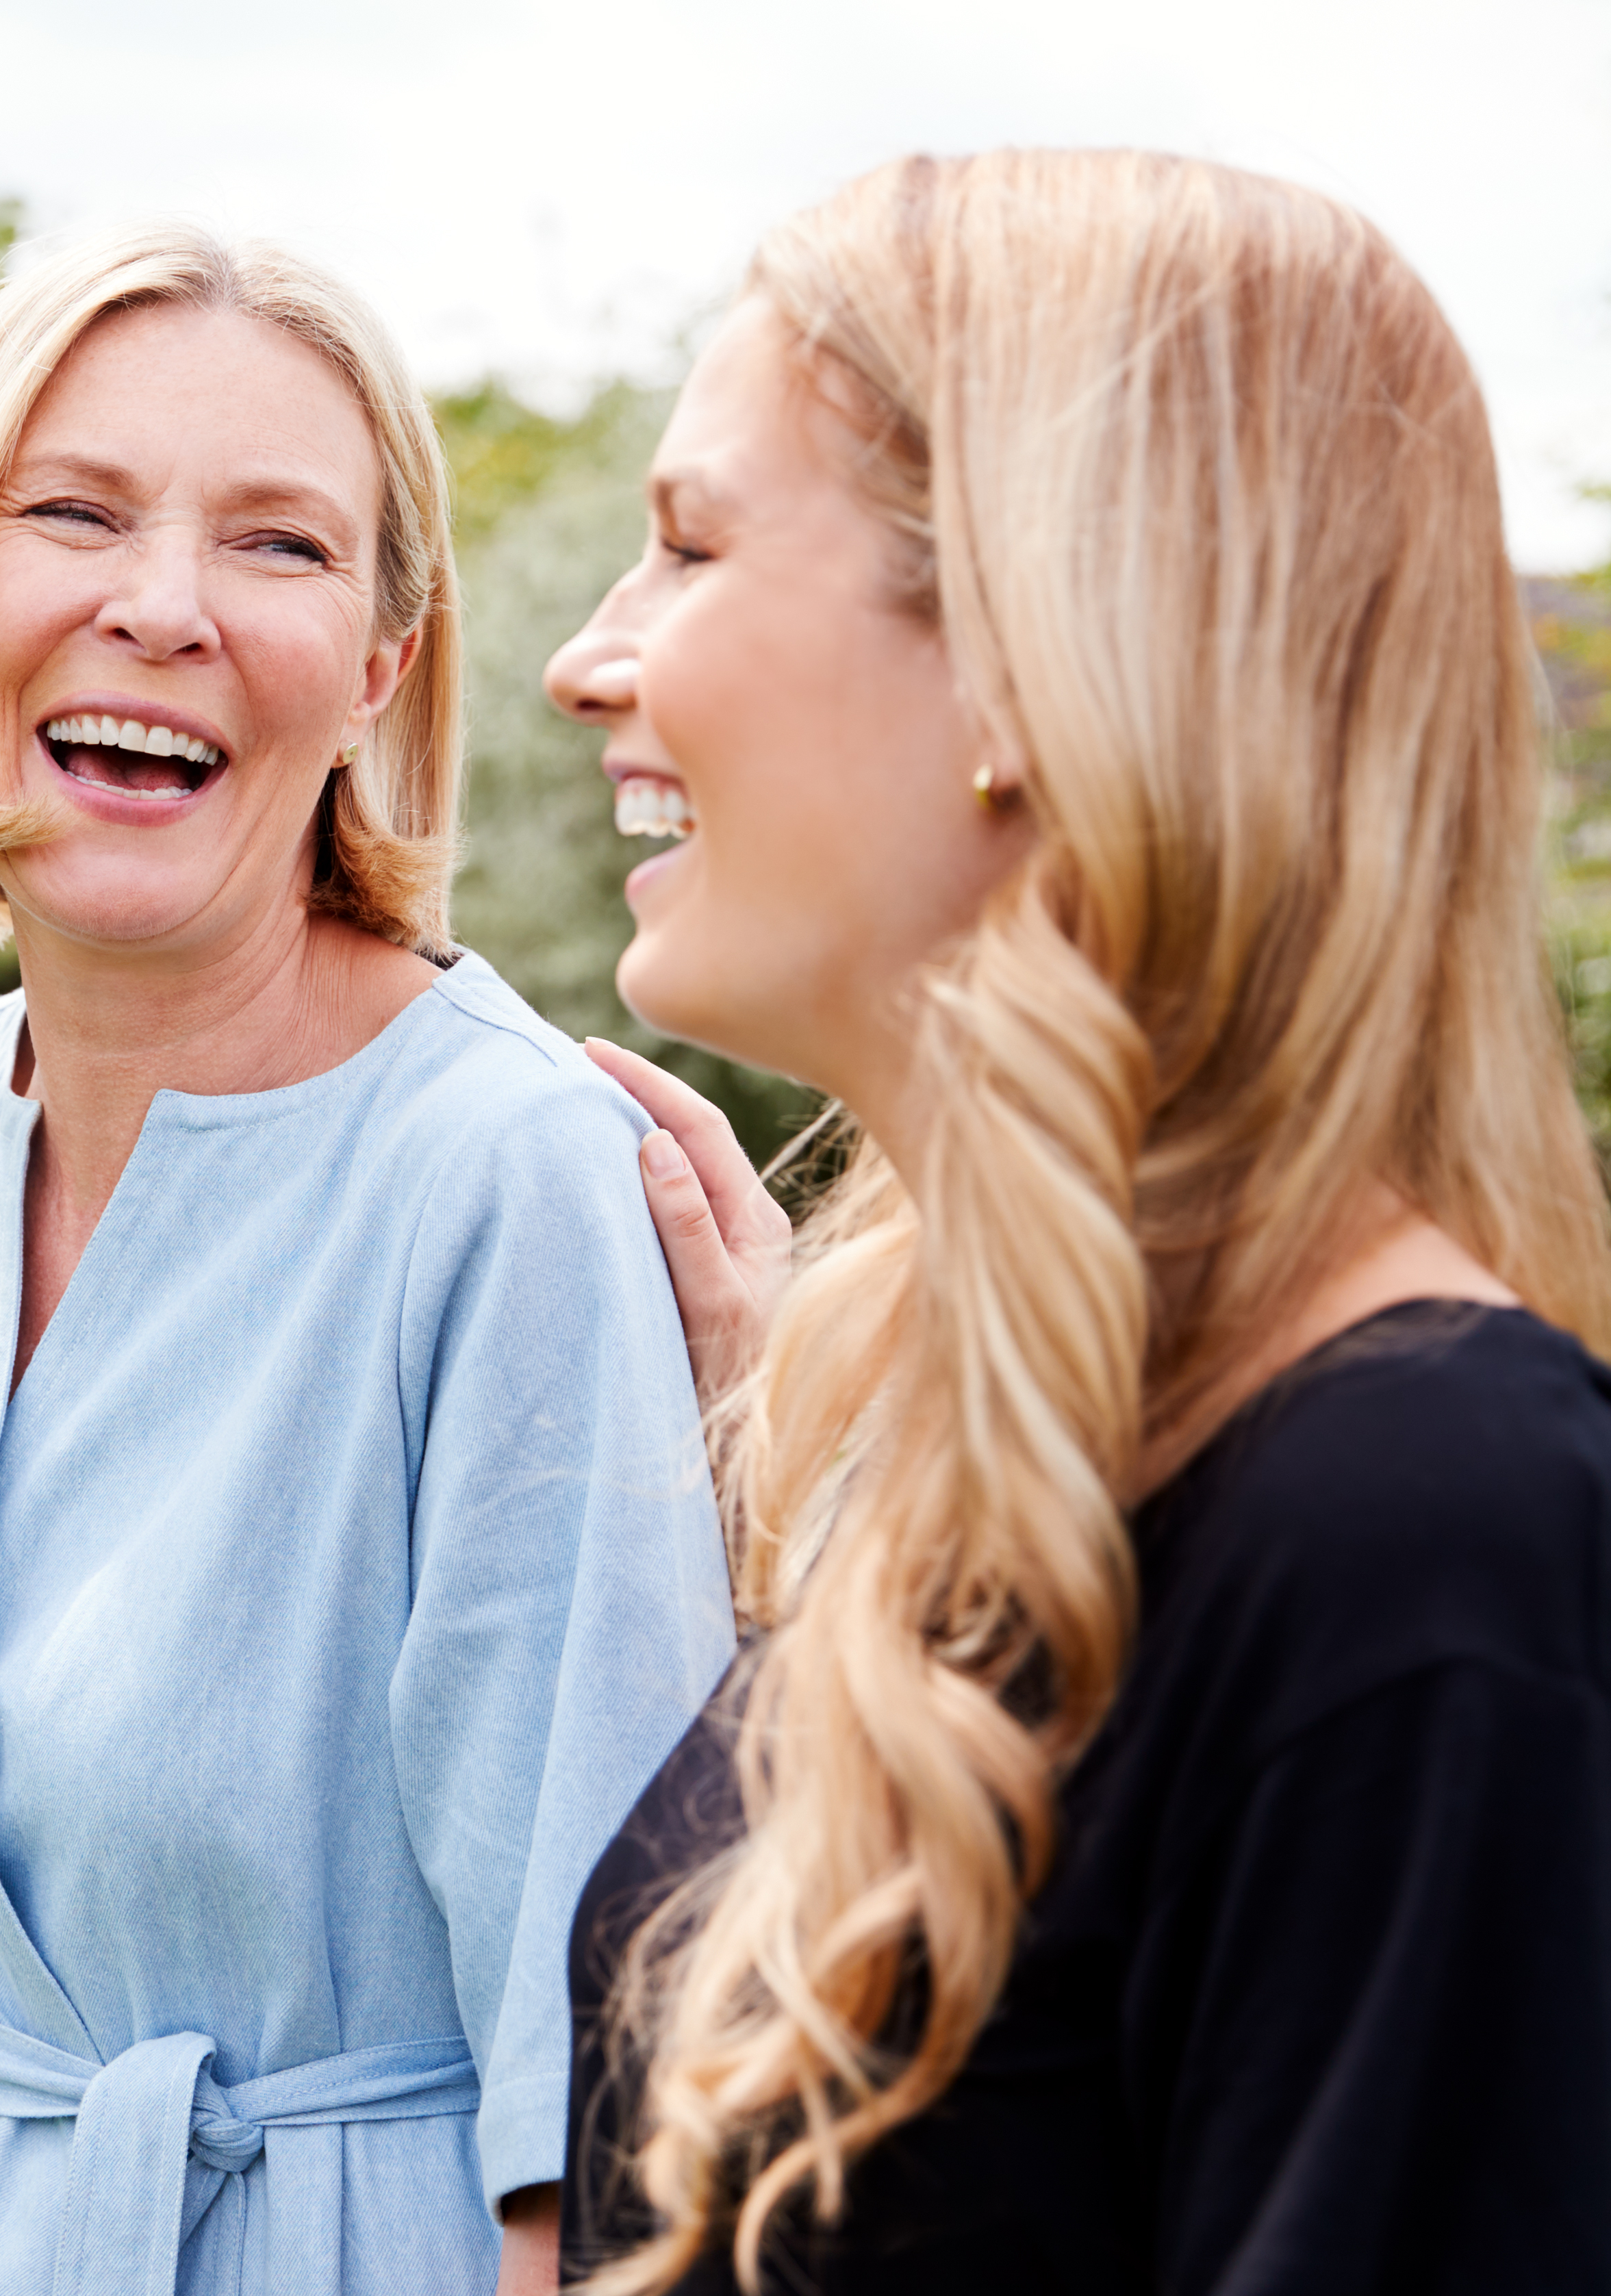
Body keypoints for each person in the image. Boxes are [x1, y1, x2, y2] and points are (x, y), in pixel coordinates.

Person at [546, 150, 1611, 2295]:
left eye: (688, 546)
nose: (590, 662)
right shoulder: (972, 1451)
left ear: (1041, 654)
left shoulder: (1423, 1521)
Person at [0, 221, 735, 2296]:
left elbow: (605, 2047)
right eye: (73, 512)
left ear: (380, 661)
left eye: (279, 546)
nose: (160, 607)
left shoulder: (509, 1174)